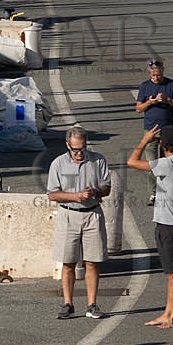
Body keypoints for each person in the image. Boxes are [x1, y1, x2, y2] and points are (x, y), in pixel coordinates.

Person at [127, 125, 173, 327]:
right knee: (171, 274)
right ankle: (168, 312)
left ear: (162, 144)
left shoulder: (167, 164)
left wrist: (144, 140)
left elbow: (132, 162)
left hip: (168, 226)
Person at [46, 127, 111, 319]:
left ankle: (92, 304)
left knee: (93, 261)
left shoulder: (98, 160)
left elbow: (107, 187)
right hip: (68, 215)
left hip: (92, 214)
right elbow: (52, 194)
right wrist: (75, 196)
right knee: (68, 262)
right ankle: (68, 303)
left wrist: (95, 192)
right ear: (67, 145)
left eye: (82, 148)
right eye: (75, 149)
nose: (79, 153)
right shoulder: (58, 164)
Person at [135, 58, 173, 205]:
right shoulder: (144, 86)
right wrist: (149, 102)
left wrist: (167, 99)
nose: (156, 78)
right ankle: (153, 193)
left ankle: (167, 192)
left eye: (158, 75)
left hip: (167, 131)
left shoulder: (171, 84)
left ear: (163, 72)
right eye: (153, 75)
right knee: (151, 164)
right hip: (150, 130)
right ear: (150, 73)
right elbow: (138, 108)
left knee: (167, 163)